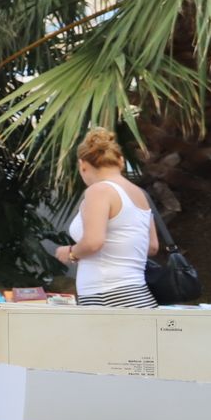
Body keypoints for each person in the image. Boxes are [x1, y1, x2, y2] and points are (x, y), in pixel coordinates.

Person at [55, 127, 159, 307]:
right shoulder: (140, 194)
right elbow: (152, 246)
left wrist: (71, 252)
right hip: (139, 296)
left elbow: (93, 242)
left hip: (106, 295)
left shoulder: (99, 190)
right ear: (121, 161)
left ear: (82, 164)